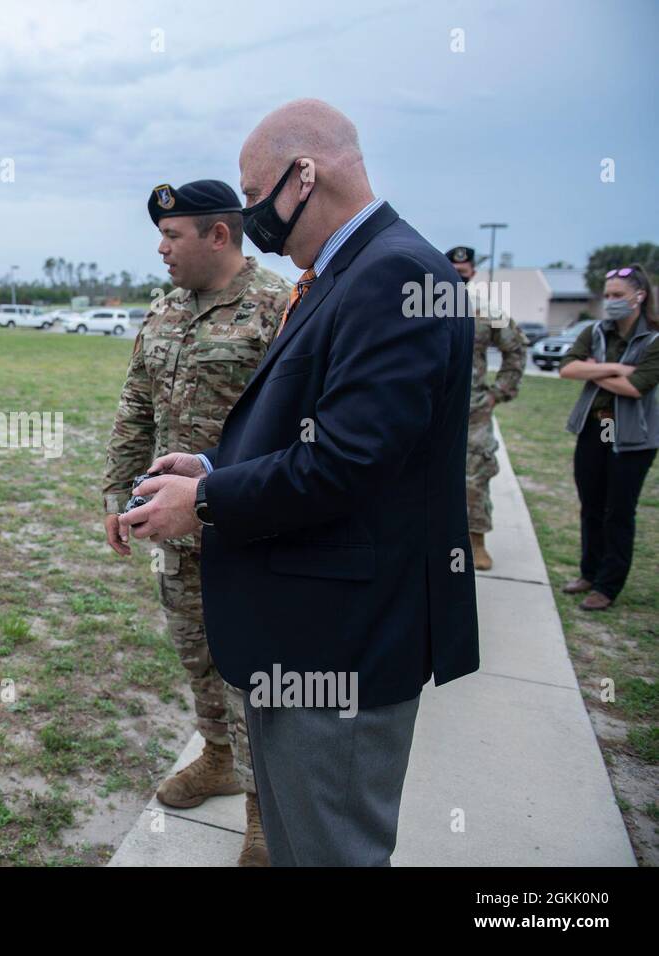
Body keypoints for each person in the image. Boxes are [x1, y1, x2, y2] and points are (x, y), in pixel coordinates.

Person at [119, 99, 480, 866]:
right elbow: (310, 429)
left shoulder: (395, 275)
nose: (253, 216)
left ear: (304, 175)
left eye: (256, 195)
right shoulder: (346, 272)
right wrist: (214, 465)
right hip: (308, 627)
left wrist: (207, 500)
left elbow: (349, 462)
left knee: (329, 851)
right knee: (300, 847)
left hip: (342, 641)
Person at [102, 179, 289, 866]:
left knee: (255, 670)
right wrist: (116, 493)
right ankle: (217, 756)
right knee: (196, 654)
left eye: (172, 236)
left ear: (218, 234)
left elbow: (302, 426)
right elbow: (136, 406)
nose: (160, 248)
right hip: (174, 533)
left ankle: (264, 808)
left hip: (249, 528)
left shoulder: (279, 308)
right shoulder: (165, 311)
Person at [559, 264, 659, 611]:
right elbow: (567, 368)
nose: (611, 301)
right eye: (608, 295)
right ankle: (589, 571)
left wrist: (593, 369)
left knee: (618, 510)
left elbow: (635, 387)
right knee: (591, 505)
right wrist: (615, 368)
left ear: (639, 296)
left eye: (619, 295)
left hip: (631, 435)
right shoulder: (596, 331)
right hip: (595, 427)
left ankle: (607, 585)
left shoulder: (654, 338)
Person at [446, 245, 526, 571]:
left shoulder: (484, 308)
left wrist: (499, 392)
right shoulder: (421, 306)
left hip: (473, 406)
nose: (458, 278)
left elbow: (515, 349)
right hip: (431, 403)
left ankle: (476, 539)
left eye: (463, 274)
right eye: (452, 272)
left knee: (474, 473)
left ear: (473, 274)